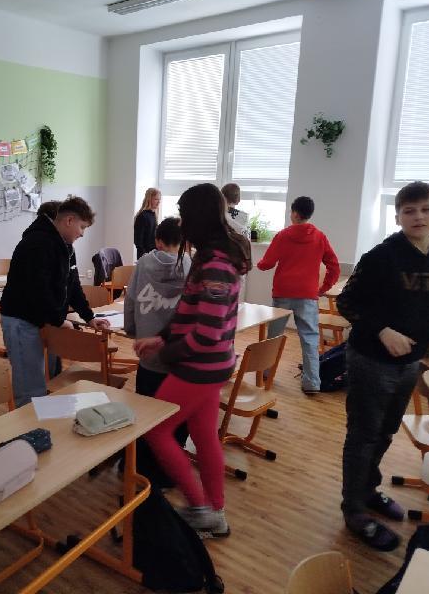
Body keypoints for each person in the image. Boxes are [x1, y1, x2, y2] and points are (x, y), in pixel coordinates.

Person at [336, 181, 429, 551]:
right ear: (397, 217)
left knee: (385, 432)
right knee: (364, 434)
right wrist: (382, 330)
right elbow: (347, 302)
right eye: (409, 211)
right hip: (370, 359)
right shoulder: (382, 257)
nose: (418, 217)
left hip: (411, 362)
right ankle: (354, 508)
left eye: (426, 209)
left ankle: (368, 490)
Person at [134, 183, 250, 536]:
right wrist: (162, 337)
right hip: (211, 366)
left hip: (202, 367)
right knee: (204, 435)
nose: (181, 223)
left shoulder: (216, 264)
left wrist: (166, 352)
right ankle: (216, 513)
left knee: (156, 430)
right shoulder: (208, 256)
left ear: (198, 218)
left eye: (184, 215)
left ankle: (201, 509)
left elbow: (206, 334)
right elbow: (189, 311)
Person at [0, 196, 109, 407]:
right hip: (21, 319)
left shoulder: (66, 246)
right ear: (69, 220)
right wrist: (59, 320)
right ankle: (29, 425)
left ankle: (47, 421)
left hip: (44, 318)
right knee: (30, 388)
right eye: (82, 227)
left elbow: (73, 285)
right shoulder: (37, 244)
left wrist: (89, 317)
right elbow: (38, 291)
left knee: (50, 379)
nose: (82, 233)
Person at [256, 196, 340, 394]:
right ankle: (312, 383)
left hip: (283, 293)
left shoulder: (282, 236)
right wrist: (323, 288)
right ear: (309, 214)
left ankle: (266, 373)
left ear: (294, 213)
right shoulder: (319, 237)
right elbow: (334, 266)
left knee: (274, 336)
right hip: (307, 295)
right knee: (310, 339)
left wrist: (259, 264)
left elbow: (267, 263)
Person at [125, 217, 191, 397]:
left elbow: (130, 300)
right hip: (178, 355)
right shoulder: (190, 265)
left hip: (147, 352)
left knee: (146, 407)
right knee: (174, 408)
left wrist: (132, 330)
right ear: (183, 242)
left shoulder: (143, 263)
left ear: (158, 241)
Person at [133, 187, 161, 259]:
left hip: (153, 255)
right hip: (145, 258)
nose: (159, 202)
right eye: (156, 199)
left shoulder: (153, 215)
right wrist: (146, 257)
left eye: (159, 199)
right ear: (149, 199)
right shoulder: (142, 216)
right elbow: (138, 242)